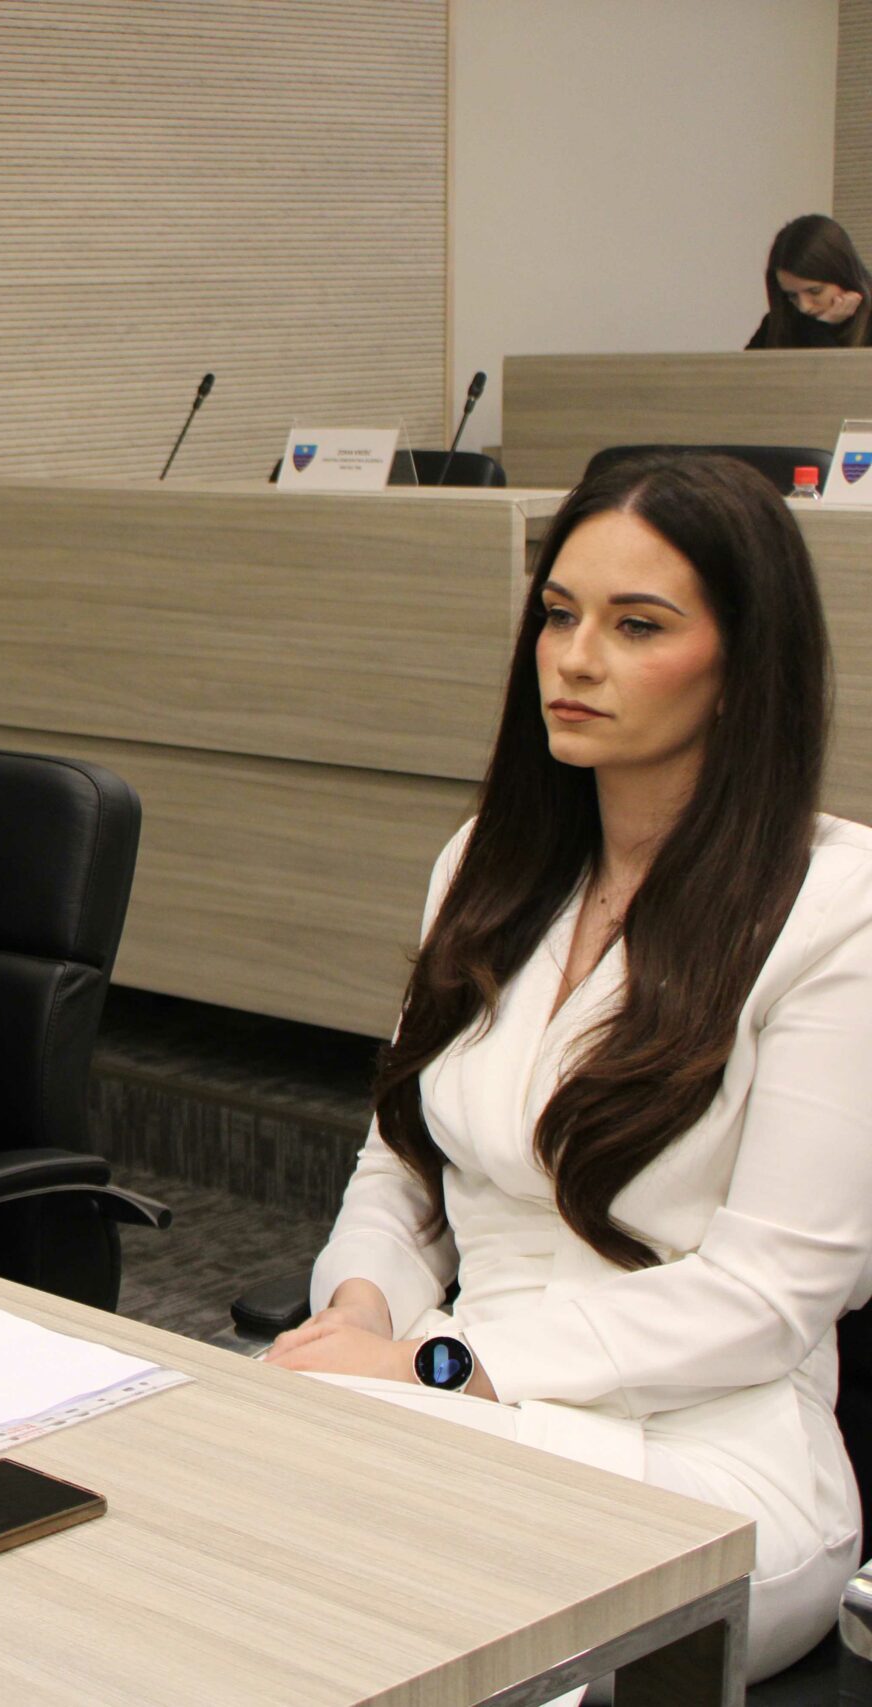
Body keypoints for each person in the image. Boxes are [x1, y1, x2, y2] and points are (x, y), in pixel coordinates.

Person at [267, 452, 872, 1680]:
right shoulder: (485, 864)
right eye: (557, 614)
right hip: (450, 1393)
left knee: (340, 1570)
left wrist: (435, 1369)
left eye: (636, 626)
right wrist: (360, 1308)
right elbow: (403, 1169)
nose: (573, 658)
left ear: (742, 668)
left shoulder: (837, 912)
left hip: (706, 1459)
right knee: (208, 1493)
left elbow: (765, 1299)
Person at [745, 213, 871, 349]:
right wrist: (821, 325)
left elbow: (830, 364)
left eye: (815, 291)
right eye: (792, 295)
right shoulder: (778, 322)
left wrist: (821, 330)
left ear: (844, 276)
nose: (804, 307)